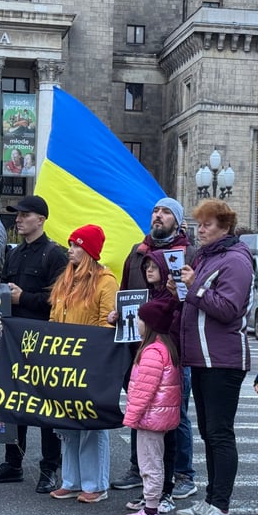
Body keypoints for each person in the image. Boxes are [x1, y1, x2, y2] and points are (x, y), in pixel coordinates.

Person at [110, 196, 198, 499]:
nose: (158, 216)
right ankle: (140, 468)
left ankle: (183, 473)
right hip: (137, 344)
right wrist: (117, 313)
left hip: (174, 347)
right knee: (140, 405)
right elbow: (125, 293)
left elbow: (193, 299)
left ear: (177, 220)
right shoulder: (137, 253)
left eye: (165, 212)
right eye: (155, 211)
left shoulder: (187, 254)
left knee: (175, 411)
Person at [0, 195, 68, 493]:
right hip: (14, 340)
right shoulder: (14, 254)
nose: (18, 219)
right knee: (14, 401)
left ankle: (49, 468)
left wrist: (22, 298)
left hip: (43, 339)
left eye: (24, 215)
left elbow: (59, 300)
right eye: (17, 215)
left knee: (44, 405)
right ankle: (13, 462)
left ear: (40, 219)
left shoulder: (56, 254)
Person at [175, 198, 253, 515]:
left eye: (207, 224)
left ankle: (221, 507)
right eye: (199, 224)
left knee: (220, 434)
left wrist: (193, 289)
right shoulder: (208, 257)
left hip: (222, 359)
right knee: (209, 432)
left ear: (224, 226)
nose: (200, 229)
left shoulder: (235, 260)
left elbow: (228, 308)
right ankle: (211, 498)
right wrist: (184, 288)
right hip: (204, 358)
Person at [47, 224, 118, 503]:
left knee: (90, 424)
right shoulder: (66, 279)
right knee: (67, 423)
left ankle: (95, 484)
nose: (70, 249)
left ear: (88, 250)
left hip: (91, 362)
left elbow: (106, 324)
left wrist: (92, 356)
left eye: (76, 245)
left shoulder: (105, 281)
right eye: (70, 244)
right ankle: (71, 480)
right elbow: (54, 318)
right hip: (63, 363)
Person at [119, 297, 182, 515]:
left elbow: (143, 392)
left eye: (140, 319)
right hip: (158, 417)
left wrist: (131, 418)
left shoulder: (153, 352)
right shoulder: (165, 348)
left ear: (151, 324)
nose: (137, 322)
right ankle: (151, 506)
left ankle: (150, 512)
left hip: (149, 419)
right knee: (154, 462)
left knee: (150, 464)